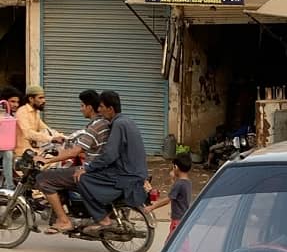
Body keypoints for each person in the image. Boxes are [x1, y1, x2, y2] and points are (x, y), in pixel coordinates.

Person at [34, 90, 111, 234]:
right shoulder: (103, 123)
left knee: (43, 178)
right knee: (62, 174)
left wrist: (47, 160)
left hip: (91, 170)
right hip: (98, 168)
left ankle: (64, 220)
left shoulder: (95, 126)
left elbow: (75, 151)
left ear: (89, 107)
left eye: (82, 105)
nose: (80, 109)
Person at [75, 90, 148, 234]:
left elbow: (110, 155)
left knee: (82, 179)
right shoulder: (127, 121)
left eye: (102, 107)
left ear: (110, 109)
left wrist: (88, 169)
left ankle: (102, 219)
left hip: (125, 174)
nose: (99, 110)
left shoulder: (118, 125)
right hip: (136, 171)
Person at [144, 153, 192, 240]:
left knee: (171, 245)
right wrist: (173, 179)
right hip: (183, 218)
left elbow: (168, 199)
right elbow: (177, 194)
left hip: (177, 221)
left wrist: (152, 207)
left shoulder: (179, 184)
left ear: (176, 167)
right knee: (180, 244)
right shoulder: (187, 182)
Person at [15, 85, 64, 158]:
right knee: (53, 159)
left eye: (44, 98)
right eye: (40, 98)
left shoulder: (35, 112)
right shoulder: (22, 112)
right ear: (31, 99)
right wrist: (51, 139)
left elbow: (45, 129)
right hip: (24, 151)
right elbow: (29, 134)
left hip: (35, 149)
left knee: (60, 155)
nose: (44, 101)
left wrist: (63, 137)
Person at [0, 86, 22, 189]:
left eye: (17, 102)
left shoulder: (13, 116)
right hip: (4, 149)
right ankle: (9, 185)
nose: (15, 105)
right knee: (8, 154)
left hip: (7, 146)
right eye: (12, 101)